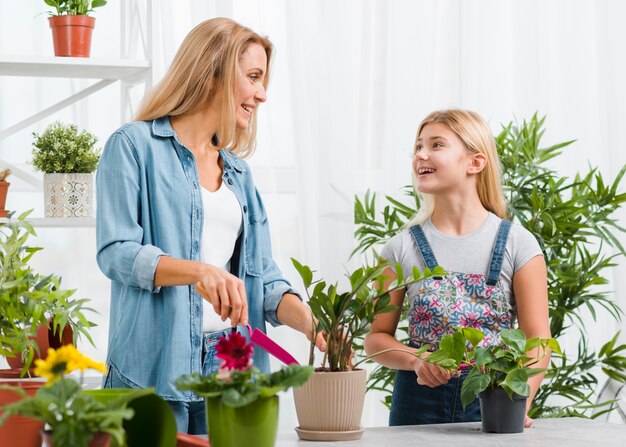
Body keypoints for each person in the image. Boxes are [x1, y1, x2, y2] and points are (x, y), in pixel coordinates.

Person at [96, 17, 324, 434]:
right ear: (213, 70)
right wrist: (198, 272)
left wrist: (312, 322)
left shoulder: (239, 174)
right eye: (254, 77)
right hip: (152, 370)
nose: (262, 94)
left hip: (230, 368)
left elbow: (261, 277)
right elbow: (116, 251)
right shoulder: (133, 146)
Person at [364, 109, 551, 427]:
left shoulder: (518, 244)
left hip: (492, 398)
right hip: (416, 407)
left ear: (475, 163)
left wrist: (519, 402)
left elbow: (538, 341)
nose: (420, 154)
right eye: (418, 146)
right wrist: (419, 360)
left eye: (436, 145)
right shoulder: (400, 248)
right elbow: (376, 339)